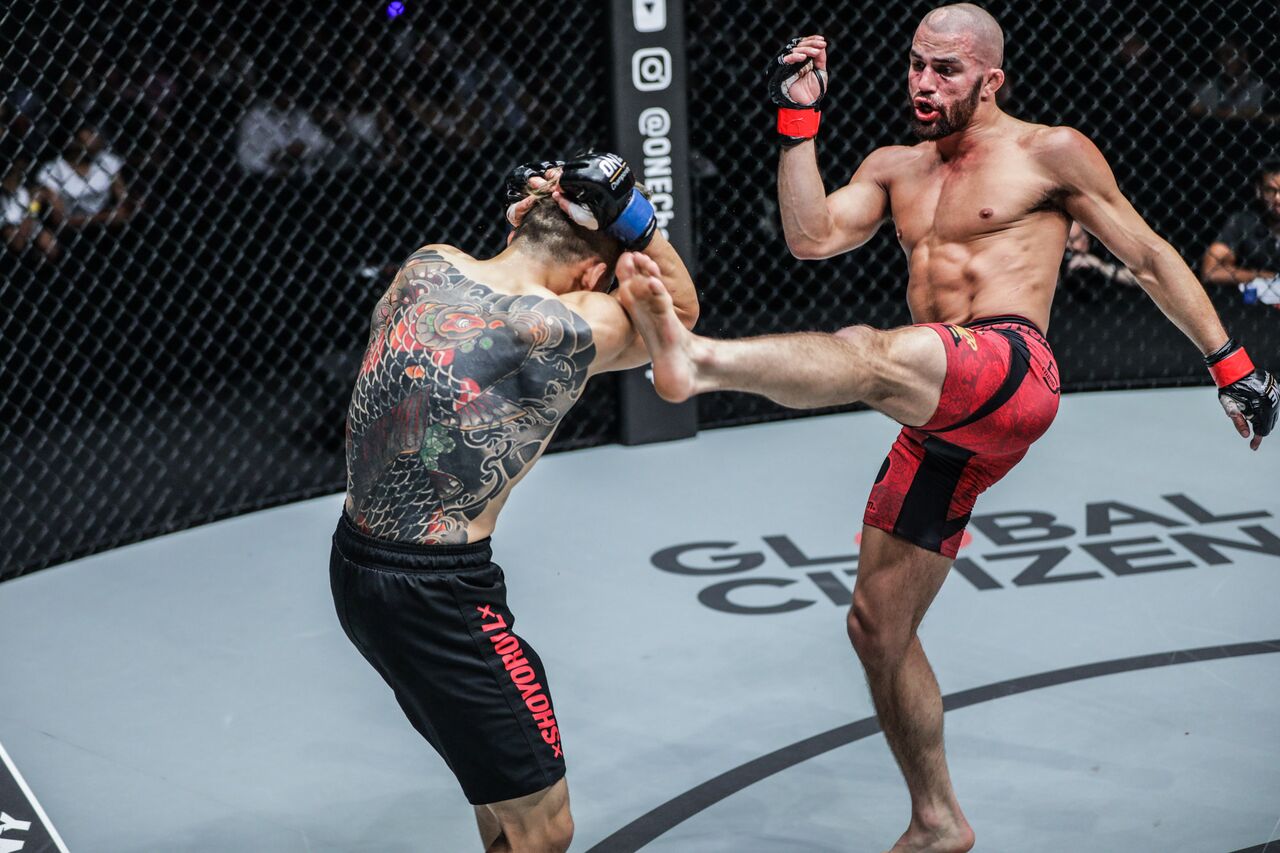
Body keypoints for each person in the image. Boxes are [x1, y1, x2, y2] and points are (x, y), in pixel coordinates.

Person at [616, 6, 1279, 852]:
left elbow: (1147, 255)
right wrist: (797, 118)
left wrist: (1231, 365)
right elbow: (811, 235)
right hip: (945, 417)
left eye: (947, 70)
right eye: (916, 65)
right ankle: (937, 819)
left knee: (868, 351)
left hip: (1013, 367)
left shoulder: (1049, 152)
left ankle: (699, 360)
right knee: (876, 626)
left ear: (991, 80)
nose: (923, 83)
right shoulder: (894, 167)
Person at [330, 151, 697, 852]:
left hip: (353, 564)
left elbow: (521, 253)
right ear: (592, 274)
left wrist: (542, 214)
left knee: (499, 802)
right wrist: (639, 225)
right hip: (438, 595)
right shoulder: (568, 327)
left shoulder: (426, 266)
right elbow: (679, 319)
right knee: (546, 828)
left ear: (519, 221)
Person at [1202, 161, 1280, 305]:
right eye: (1271, 190)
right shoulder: (1243, 222)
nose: (1278, 199)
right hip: (1251, 307)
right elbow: (1211, 271)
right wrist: (1265, 277)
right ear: (1259, 190)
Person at [36, 121, 137, 232]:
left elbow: (123, 198)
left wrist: (125, 208)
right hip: (72, 232)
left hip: (111, 227)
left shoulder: (107, 160)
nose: (96, 137)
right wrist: (105, 217)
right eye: (90, 133)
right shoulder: (53, 170)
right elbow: (59, 218)